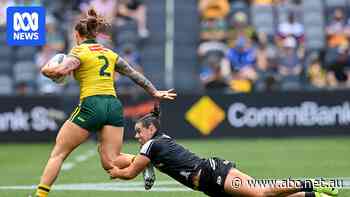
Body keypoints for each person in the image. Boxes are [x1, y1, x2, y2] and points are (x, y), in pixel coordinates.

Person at [33, 8, 176, 197]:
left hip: (92, 104)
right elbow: (134, 74)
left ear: (77, 35)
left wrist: (46, 70)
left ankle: (40, 196)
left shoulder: (78, 51)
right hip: (113, 106)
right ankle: (144, 161)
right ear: (95, 34)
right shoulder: (109, 53)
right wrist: (154, 91)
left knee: (59, 153)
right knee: (111, 161)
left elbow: (60, 72)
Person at [108, 106, 339, 197]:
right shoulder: (154, 145)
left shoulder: (151, 145)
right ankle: (315, 195)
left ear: (151, 128)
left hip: (213, 173)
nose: (137, 136)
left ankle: (312, 183)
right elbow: (137, 161)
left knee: (261, 192)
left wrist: (114, 170)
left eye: (139, 132)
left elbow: (130, 171)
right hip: (210, 184)